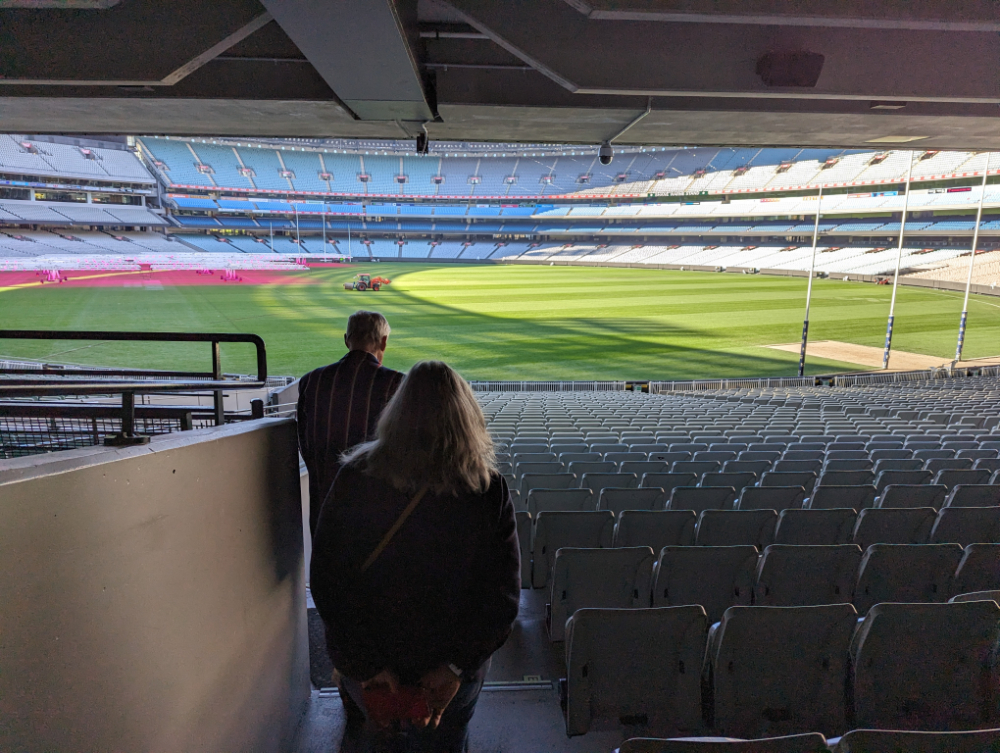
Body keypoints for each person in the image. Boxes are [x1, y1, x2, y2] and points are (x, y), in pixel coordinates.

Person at [310, 361, 520, 753]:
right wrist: (456, 666)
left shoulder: (355, 476)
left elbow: (327, 581)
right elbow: (502, 596)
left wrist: (368, 667)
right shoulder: (487, 489)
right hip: (449, 675)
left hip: (368, 665)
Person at [297, 310, 403, 537]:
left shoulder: (310, 381)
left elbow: (305, 444)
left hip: (324, 507)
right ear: (383, 342)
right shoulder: (397, 383)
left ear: (346, 340)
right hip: (377, 510)